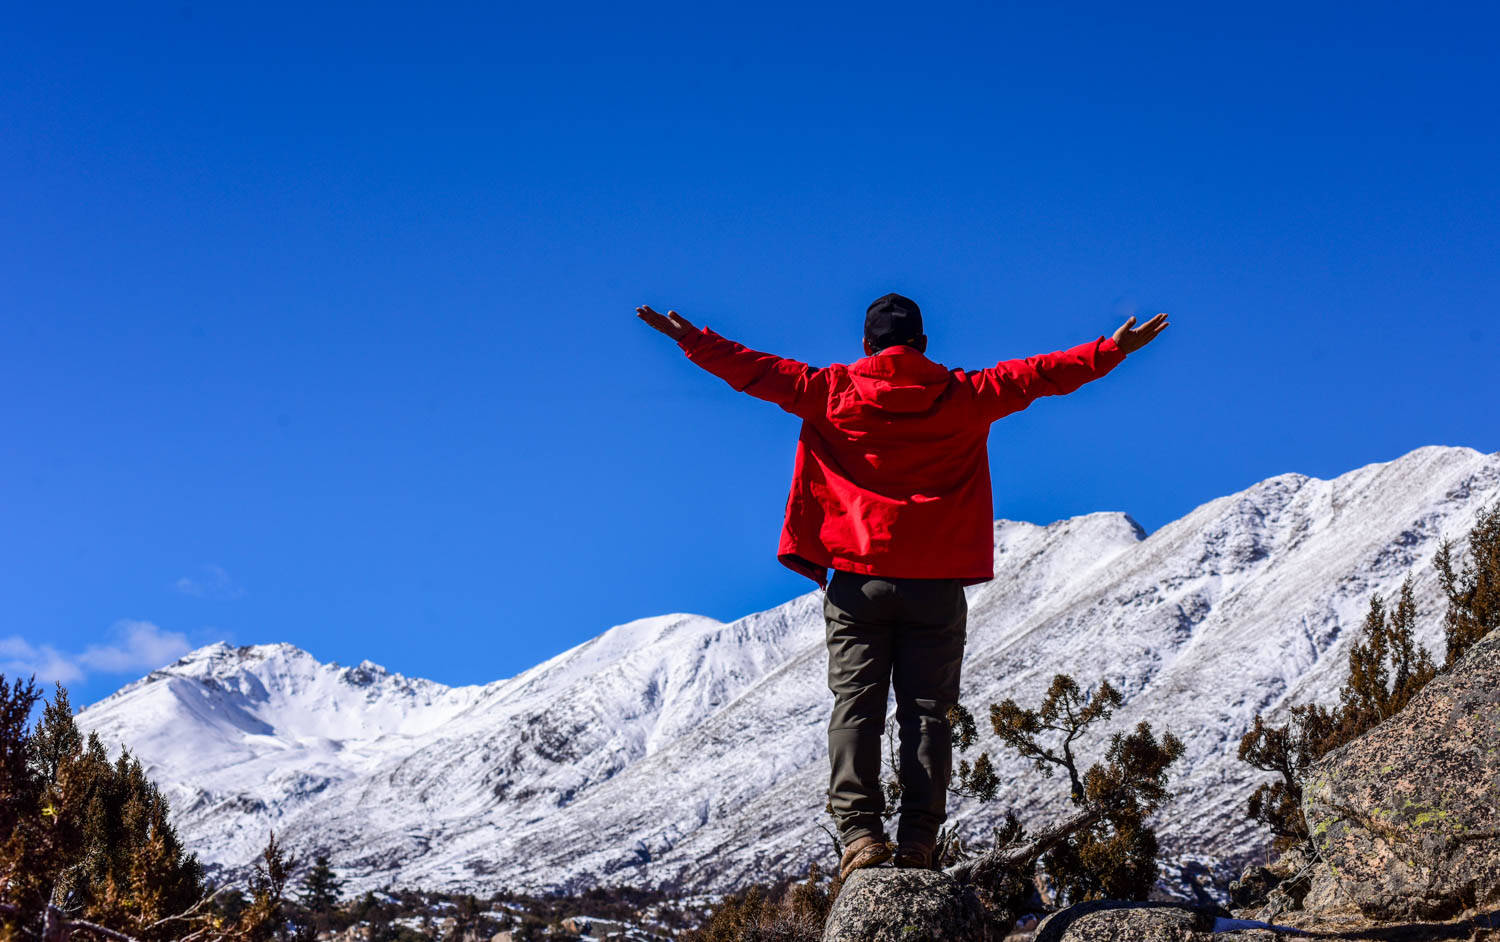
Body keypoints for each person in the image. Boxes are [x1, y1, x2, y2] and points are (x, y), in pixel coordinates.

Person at [636, 294, 1168, 879]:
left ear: (867, 346)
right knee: (927, 714)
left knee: (856, 706)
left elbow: (754, 369)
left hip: (858, 582)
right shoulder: (967, 395)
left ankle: (860, 836)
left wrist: (693, 339)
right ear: (922, 344)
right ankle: (917, 840)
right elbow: (1042, 376)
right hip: (936, 586)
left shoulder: (831, 390)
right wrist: (1111, 349)